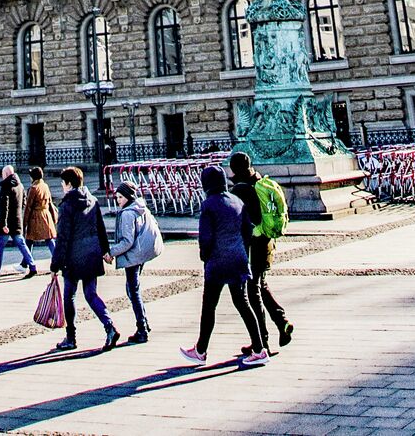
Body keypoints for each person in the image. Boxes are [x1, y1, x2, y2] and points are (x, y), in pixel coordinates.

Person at [181, 165, 267, 366]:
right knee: (243, 303)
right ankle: (259, 348)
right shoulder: (236, 200)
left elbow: (206, 238)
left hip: (218, 262)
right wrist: (242, 251)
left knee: (209, 305)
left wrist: (205, 257)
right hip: (238, 259)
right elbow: (248, 229)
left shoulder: (209, 205)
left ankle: (200, 351)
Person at [45, 165, 118, 352]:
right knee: (91, 294)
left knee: (69, 296)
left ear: (69, 184)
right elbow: (101, 228)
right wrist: (105, 251)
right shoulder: (92, 200)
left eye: (63, 183)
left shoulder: (67, 205)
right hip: (92, 255)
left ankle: (71, 337)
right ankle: (109, 326)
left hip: (73, 258)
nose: (62, 186)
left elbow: (63, 238)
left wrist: (55, 264)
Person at [226, 151, 293, 348]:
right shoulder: (260, 181)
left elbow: (243, 219)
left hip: (252, 243)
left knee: (252, 290)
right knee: (261, 285)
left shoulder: (241, 189)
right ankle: (282, 323)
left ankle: (262, 341)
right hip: (267, 241)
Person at [109, 180, 160, 344]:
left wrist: (110, 252)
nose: (118, 201)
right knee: (132, 289)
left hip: (133, 255)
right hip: (141, 253)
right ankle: (144, 323)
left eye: (121, 197)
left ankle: (142, 329)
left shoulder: (127, 213)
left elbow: (127, 241)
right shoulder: (140, 207)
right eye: (117, 197)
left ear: (128, 197)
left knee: (133, 290)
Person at [0, 164, 36, 279]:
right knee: (22, 244)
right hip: (17, 220)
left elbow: (5, 208)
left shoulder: (6, 186)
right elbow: (24, 201)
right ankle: (33, 266)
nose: (2, 177)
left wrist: (3, 224)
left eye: (3, 174)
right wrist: (18, 213)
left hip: (7, 223)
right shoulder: (20, 185)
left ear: (7, 174)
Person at [23, 167, 57, 263]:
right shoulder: (45, 186)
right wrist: (54, 217)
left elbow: (28, 206)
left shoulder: (33, 188)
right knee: (48, 238)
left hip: (35, 217)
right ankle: (25, 263)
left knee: (29, 239)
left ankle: (25, 263)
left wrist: (24, 222)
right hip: (45, 215)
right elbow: (50, 202)